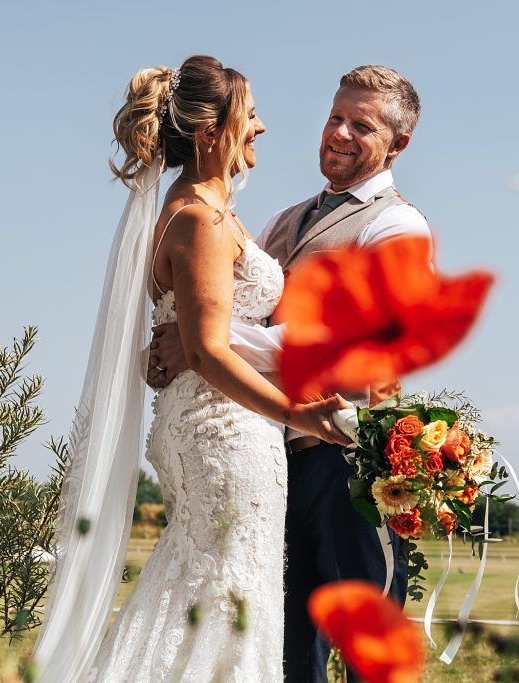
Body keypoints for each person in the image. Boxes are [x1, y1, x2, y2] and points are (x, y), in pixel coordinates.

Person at [30, 55, 352, 683]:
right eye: (250, 115)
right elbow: (206, 350)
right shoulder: (199, 220)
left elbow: (207, 336)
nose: (260, 127)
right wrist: (294, 410)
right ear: (210, 132)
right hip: (225, 432)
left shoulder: (207, 212)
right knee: (227, 587)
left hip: (213, 426)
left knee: (207, 582)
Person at [148, 65, 431, 682]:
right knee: (286, 652)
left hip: (350, 466)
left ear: (397, 145)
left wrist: (200, 340)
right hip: (275, 460)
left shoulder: (398, 228)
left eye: (363, 125)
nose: (340, 133)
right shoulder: (281, 221)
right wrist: (185, 341)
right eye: (336, 116)